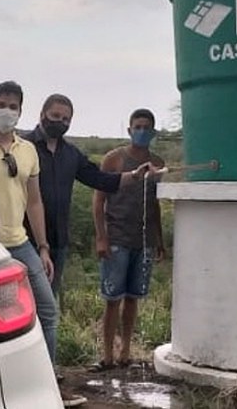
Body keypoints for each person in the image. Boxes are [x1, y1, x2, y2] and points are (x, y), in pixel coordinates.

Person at [0, 80, 85, 407]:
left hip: (20, 242)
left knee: (46, 311)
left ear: (21, 111)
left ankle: (47, 384)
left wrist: (43, 247)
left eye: (13, 106)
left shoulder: (27, 150)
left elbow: (34, 202)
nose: (7, 111)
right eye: (2, 104)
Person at [23, 93, 151, 298]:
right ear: (42, 114)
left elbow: (100, 179)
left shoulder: (71, 154)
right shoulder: (23, 148)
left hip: (58, 242)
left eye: (66, 119)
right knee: (25, 305)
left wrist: (136, 175)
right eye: (55, 116)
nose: (60, 122)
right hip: (24, 242)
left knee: (48, 302)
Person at [90, 108, 166, 371]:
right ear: (129, 129)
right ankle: (107, 355)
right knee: (113, 299)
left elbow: (154, 204)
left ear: (154, 132)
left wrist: (159, 239)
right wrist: (101, 237)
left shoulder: (157, 162)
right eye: (138, 126)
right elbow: (99, 201)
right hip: (116, 238)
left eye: (147, 127)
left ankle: (126, 353)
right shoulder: (114, 159)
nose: (142, 131)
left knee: (133, 297)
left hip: (142, 240)